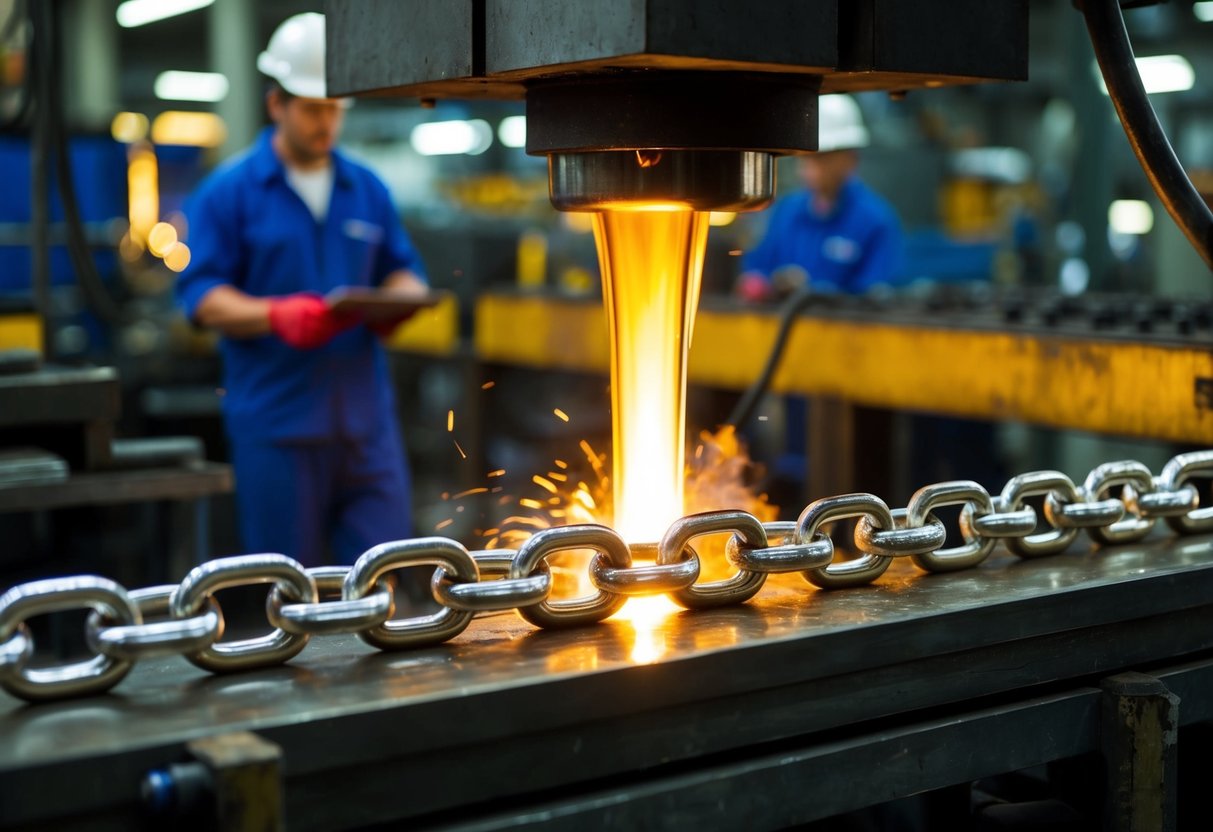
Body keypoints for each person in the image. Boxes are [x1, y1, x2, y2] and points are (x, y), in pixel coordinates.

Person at [176, 13, 427, 567]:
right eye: (314, 109)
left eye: (335, 109)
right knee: (291, 589)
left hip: (365, 428)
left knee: (385, 575)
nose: (327, 124)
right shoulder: (229, 192)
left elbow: (404, 269)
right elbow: (202, 295)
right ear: (276, 105)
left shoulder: (366, 188)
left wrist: (398, 302)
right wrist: (275, 315)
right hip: (279, 427)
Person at [737, 94, 902, 299]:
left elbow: (874, 297)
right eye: (806, 158)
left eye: (821, 158)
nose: (809, 168)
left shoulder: (875, 221)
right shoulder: (786, 211)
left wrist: (812, 291)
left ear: (849, 158)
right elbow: (756, 270)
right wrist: (763, 285)